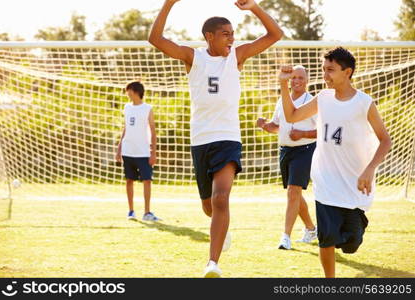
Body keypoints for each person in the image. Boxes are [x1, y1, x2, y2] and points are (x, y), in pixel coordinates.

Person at [149, 0, 283, 277]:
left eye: (233, 33)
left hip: (228, 139)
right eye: (225, 33)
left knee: (221, 198)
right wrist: (169, 3)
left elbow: (275, 35)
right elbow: (155, 39)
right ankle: (222, 230)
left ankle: (212, 263)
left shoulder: (238, 56)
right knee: (209, 206)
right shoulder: (193, 57)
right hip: (200, 140)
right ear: (209, 36)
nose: (232, 38)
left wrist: (254, 8)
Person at [279, 47, 392, 278]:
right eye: (323, 69)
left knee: (351, 243)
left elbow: (385, 140)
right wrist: (283, 85)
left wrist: (369, 170)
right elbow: (291, 116)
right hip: (325, 181)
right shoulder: (323, 98)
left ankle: (355, 225)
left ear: (347, 72)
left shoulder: (364, 103)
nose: (325, 75)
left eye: (330, 70)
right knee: (326, 238)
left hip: (354, 183)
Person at [256, 65, 317, 250]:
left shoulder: (312, 102)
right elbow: (277, 126)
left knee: (293, 191)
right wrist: (265, 125)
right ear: (289, 80)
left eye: (301, 78)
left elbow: (322, 131)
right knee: (294, 193)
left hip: (305, 150)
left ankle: (285, 237)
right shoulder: (282, 100)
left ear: (307, 81)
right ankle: (311, 229)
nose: (297, 81)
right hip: (285, 151)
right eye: (294, 77)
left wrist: (303, 134)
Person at [116, 81, 161, 222]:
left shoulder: (148, 108)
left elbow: (153, 131)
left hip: (143, 152)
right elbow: (125, 128)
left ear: (135, 91)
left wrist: (153, 152)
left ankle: (147, 212)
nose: (127, 93)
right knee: (129, 180)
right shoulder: (127, 107)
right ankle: (131, 211)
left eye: (128, 90)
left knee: (147, 181)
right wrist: (119, 147)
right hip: (128, 150)